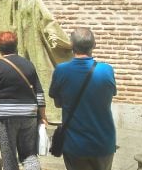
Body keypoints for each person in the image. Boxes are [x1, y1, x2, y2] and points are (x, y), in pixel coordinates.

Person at [0, 0, 72, 121]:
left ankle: (49, 112)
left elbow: (48, 18)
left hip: (35, 41)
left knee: (40, 71)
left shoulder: (36, 0)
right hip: (24, 40)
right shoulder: (24, 0)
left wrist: (53, 35)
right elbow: (8, 0)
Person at [49, 27, 116, 170]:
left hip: (75, 145)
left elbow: (58, 103)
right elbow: (109, 97)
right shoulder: (107, 70)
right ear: (94, 45)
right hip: (104, 142)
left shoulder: (61, 70)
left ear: (72, 46)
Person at [0, 32, 46, 170]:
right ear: (16, 46)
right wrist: (43, 117)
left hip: (6, 117)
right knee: (29, 153)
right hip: (29, 114)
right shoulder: (28, 64)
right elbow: (39, 94)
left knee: (9, 155)